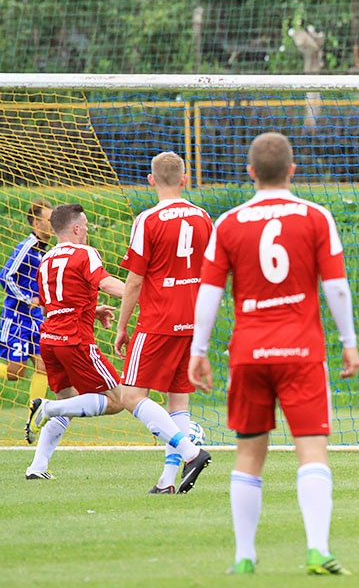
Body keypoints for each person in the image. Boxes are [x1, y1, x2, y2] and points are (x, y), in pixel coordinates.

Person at [188, 131, 359, 576]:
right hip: (302, 351)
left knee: (248, 455)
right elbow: (336, 287)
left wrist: (199, 349)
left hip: (248, 352)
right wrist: (348, 343)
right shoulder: (316, 217)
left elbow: (209, 291)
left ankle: (244, 556)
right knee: (312, 451)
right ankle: (317, 551)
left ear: (250, 172)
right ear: (292, 170)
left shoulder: (228, 222)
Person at [24, 204, 212, 494]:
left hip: (49, 338)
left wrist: (92, 309)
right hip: (76, 340)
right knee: (116, 399)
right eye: (85, 225)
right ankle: (48, 408)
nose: (87, 230)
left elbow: (54, 301)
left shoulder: (46, 258)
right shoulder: (84, 253)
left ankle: (37, 466)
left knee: (68, 397)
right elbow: (106, 282)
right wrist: (141, 293)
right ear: (75, 229)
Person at [113, 151, 214, 494]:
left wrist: (123, 325)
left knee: (130, 395)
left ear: (151, 180)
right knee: (178, 400)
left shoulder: (148, 220)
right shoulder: (202, 217)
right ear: (185, 179)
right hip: (194, 321)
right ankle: (168, 481)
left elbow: (135, 280)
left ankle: (191, 452)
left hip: (159, 321)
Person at [0, 199, 53, 422]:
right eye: (49, 220)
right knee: (16, 373)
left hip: (35, 320)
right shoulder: (26, 247)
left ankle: (34, 415)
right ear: (36, 223)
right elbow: (5, 275)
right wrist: (25, 298)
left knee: (44, 367)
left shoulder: (45, 252)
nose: (53, 224)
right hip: (17, 318)